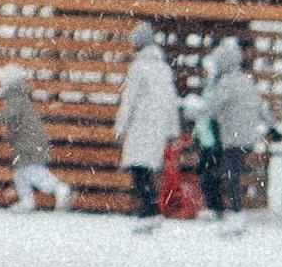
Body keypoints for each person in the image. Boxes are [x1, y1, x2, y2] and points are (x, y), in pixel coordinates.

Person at [196, 39, 270, 232]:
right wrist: (271, 126)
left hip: (234, 136)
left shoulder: (227, 83)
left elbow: (212, 108)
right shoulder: (245, 80)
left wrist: (191, 111)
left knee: (230, 176)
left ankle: (237, 215)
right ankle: (234, 214)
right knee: (230, 174)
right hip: (247, 135)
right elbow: (259, 106)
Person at [114, 22, 178, 230]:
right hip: (158, 126)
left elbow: (129, 100)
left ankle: (148, 211)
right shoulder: (163, 67)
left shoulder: (139, 67)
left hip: (141, 124)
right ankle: (150, 210)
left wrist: (121, 126)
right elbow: (171, 100)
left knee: (138, 168)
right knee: (147, 168)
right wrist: (172, 128)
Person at [0, 71, 68, 210]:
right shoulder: (19, 97)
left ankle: (58, 188)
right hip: (27, 139)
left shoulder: (16, 98)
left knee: (30, 169)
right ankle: (27, 200)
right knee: (20, 171)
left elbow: (7, 116)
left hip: (29, 141)